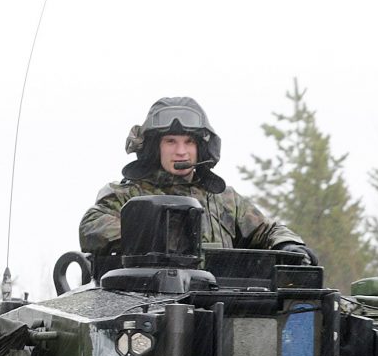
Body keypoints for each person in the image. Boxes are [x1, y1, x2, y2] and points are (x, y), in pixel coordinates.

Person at [79, 97, 316, 264]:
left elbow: (267, 230)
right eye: (171, 141)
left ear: (200, 148)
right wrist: (156, 237)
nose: (181, 151)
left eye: (189, 142)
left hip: (221, 306)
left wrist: (288, 245)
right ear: (155, 148)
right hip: (147, 306)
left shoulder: (224, 199)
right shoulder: (127, 195)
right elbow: (91, 226)